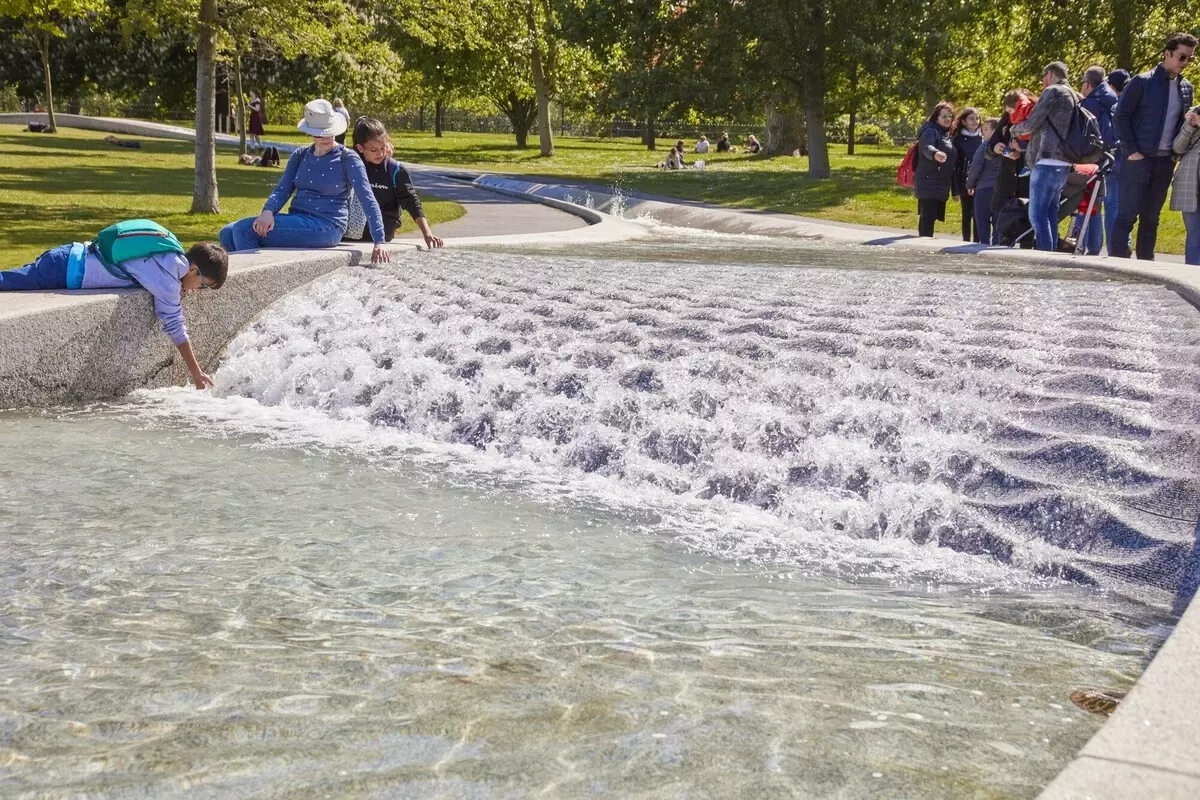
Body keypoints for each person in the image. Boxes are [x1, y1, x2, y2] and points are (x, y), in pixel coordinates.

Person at [0, 221, 228, 389]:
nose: (197, 291)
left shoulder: (169, 254)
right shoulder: (168, 278)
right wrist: (197, 373)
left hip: (67, 256)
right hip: (64, 270)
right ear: (192, 269)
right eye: (203, 285)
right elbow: (176, 327)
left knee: (10, 279)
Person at [218, 99, 390, 264]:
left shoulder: (348, 158)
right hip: (298, 218)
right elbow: (283, 188)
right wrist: (268, 211)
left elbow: (368, 198)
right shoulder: (301, 155)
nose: (326, 136)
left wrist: (379, 240)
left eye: (329, 130)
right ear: (310, 132)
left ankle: (251, 283)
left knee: (244, 229)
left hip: (328, 226)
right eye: (320, 132)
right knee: (227, 232)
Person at [1111, 32, 1198, 260]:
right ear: (1167, 54)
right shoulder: (1142, 82)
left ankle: (1147, 269)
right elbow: (1120, 117)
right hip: (1138, 160)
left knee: (1151, 218)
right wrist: (1132, 152)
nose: (1185, 63)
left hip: (1165, 161)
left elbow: (1182, 126)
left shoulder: (1186, 88)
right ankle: (1118, 267)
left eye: (1190, 58)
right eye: (1182, 57)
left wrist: (1175, 155)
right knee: (1127, 216)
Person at [344, 116, 443, 249]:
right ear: (360, 148)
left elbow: (411, 201)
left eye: (383, 148)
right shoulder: (347, 165)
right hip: (346, 236)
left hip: (382, 234)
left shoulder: (394, 169)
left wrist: (427, 232)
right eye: (373, 150)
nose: (380, 154)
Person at [1011, 62, 1079, 251]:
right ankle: (1050, 256)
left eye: (1043, 76)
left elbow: (1032, 124)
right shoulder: (1074, 95)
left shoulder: (1053, 92)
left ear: (1050, 74)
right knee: (1050, 213)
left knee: (1037, 215)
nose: (1042, 81)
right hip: (1065, 161)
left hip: (1047, 159)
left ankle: (1044, 257)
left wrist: (1013, 129)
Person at [914, 101, 956, 237]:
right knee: (928, 217)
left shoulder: (946, 134)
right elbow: (927, 147)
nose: (947, 119)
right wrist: (935, 154)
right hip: (928, 180)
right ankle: (923, 247)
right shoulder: (930, 131)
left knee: (930, 216)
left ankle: (924, 242)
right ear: (936, 117)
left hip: (939, 182)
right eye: (943, 116)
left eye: (950, 116)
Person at [1105, 68, 1131, 253]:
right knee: (1126, 207)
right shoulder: (1135, 103)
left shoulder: (1115, 106)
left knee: (1112, 206)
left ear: (1112, 86)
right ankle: (1124, 244)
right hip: (1132, 163)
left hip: (1115, 161)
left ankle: (1115, 248)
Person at [1170, 105, 1200, 265]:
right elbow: (1177, 147)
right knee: (1194, 234)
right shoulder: (1194, 116)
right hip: (1190, 186)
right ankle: (1192, 274)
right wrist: (1190, 125)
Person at [966, 117, 1002, 244]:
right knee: (998, 221)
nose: (983, 131)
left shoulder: (984, 147)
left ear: (995, 131)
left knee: (982, 220)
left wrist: (970, 184)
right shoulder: (1005, 147)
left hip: (984, 188)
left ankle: (984, 243)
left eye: (986, 129)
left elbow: (975, 167)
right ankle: (996, 244)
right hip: (1001, 189)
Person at [951, 107, 983, 241]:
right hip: (964, 181)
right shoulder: (957, 140)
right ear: (963, 121)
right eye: (971, 119)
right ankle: (965, 240)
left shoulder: (983, 139)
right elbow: (954, 166)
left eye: (976, 118)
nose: (975, 121)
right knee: (966, 213)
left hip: (980, 182)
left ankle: (977, 241)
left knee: (978, 213)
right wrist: (955, 190)